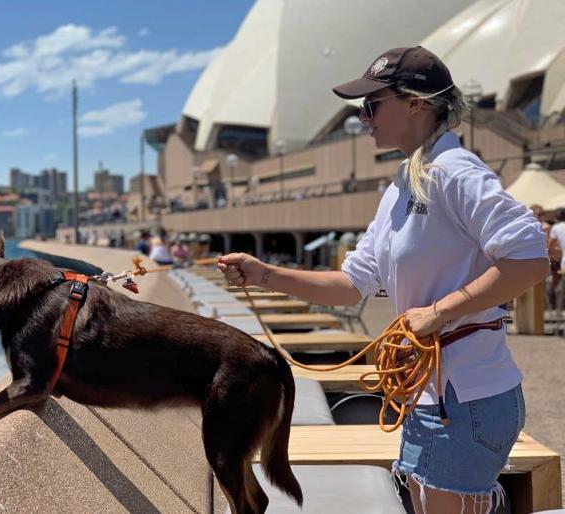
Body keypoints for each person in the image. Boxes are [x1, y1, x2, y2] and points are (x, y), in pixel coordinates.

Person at [218, 46, 549, 514]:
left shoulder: (454, 171)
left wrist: (438, 312)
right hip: (430, 395)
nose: (362, 118)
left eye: (372, 105)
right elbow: (355, 282)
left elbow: (530, 259)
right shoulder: (402, 183)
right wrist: (265, 274)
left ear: (417, 103)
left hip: (465, 396)